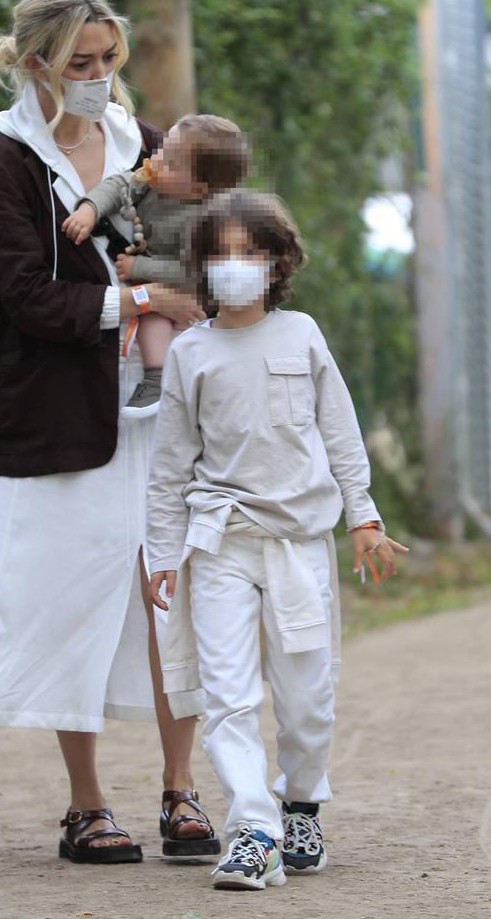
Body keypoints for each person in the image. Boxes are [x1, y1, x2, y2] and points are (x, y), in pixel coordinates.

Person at [0, 0, 221, 865]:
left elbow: (194, 243)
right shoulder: (2, 167)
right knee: (74, 602)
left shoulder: (143, 143)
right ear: (36, 63)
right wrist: (142, 295)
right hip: (58, 416)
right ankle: (85, 804)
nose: (100, 74)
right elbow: (28, 297)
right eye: (82, 61)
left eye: (110, 58)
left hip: (160, 415)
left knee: (171, 595)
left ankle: (182, 791)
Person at [146, 189, 409, 890]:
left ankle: (300, 806)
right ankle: (253, 831)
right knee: (228, 694)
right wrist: (162, 552)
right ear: (201, 266)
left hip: (297, 543)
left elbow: (341, 433)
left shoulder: (303, 335)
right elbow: (170, 464)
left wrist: (365, 516)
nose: (235, 266)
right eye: (221, 254)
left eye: (249, 252)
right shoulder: (190, 353)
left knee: (306, 698)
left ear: (276, 262)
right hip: (221, 540)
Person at [61, 115, 249, 415]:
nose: (157, 161)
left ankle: (158, 376)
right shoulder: (151, 182)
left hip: (191, 289)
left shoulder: (205, 222)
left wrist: (140, 269)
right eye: (161, 150)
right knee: (154, 310)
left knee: (159, 317)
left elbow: (197, 273)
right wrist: (90, 209)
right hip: (160, 283)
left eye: (172, 163)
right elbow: (118, 184)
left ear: (200, 189)